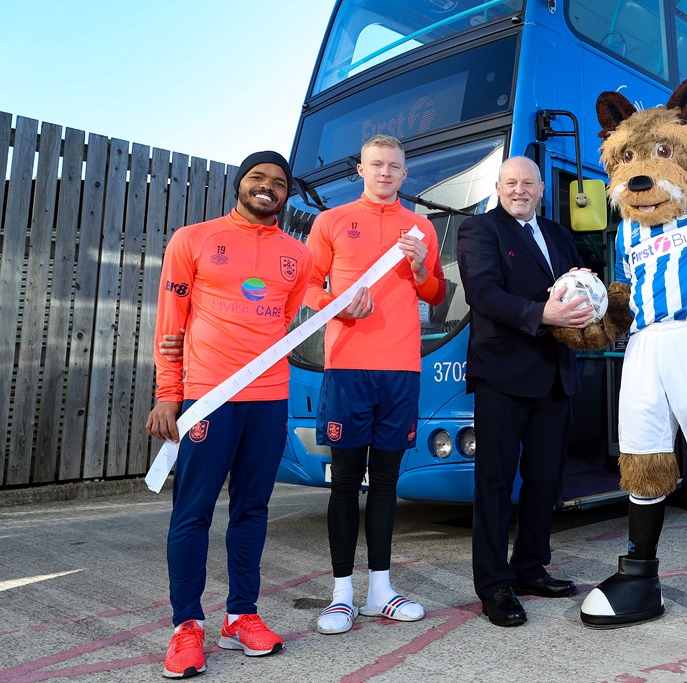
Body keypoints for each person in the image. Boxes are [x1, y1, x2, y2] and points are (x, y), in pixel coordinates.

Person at [146, 151, 313, 678]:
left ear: (286, 195)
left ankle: (241, 616)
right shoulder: (192, 240)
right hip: (206, 397)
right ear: (240, 184)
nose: (268, 188)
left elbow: (286, 321)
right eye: (258, 178)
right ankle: (186, 626)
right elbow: (171, 322)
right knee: (192, 512)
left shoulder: (297, 254)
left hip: (268, 398)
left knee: (253, 510)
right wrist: (168, 391)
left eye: (278, 183)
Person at [303, 135, 447, 635]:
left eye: (395, 167)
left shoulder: (421, 225)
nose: (386, 173)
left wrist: (422, 266)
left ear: (405, 175)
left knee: (387, 482)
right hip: (347, 367)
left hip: (402, 367)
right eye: (377, 165)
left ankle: (379, 591)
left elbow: (436, 292)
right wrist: (335, 305)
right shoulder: (331, 221)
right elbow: (305, 284)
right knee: (345, 480)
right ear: (360, 170)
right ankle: (341, 595)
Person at [455, 155, 594, 627]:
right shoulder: (479, 231)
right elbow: (483, 293)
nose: (519, 189)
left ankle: (531, 567)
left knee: (546, 479)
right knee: (494, 483)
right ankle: (494, 586)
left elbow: (578, 285)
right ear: (498, 187)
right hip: (503, 376)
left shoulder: (557, 233)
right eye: (511, 182)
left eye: (528, 183)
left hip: (556, 374)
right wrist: (542, 315)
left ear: (540, 189)